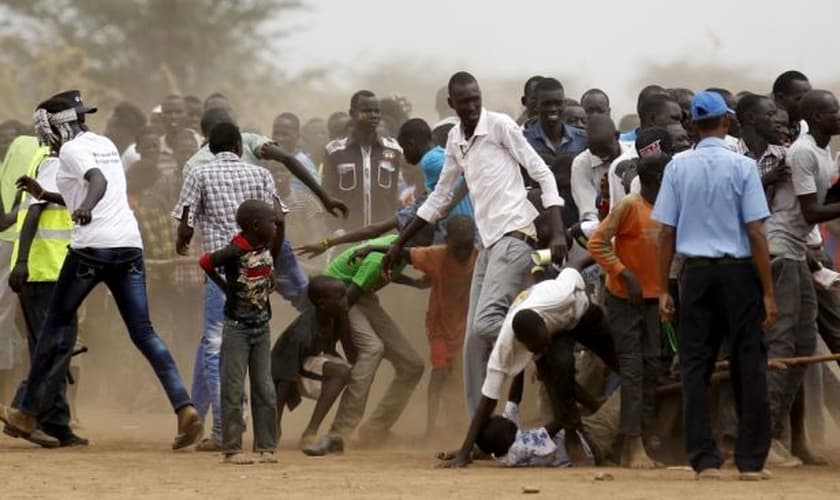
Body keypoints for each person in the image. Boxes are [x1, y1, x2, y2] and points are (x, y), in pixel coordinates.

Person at [0, 92, 202, 450]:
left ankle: (25, 411)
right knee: (144, 333)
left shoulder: (71, 151)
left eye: (43, 128)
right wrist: (45, 193)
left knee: (52, 328)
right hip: (128, 247)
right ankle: (185, 409)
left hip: (91, 249)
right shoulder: (104, 143)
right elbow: (89, 189)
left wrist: (86, 210)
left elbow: (97, 184)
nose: (42, 136)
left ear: (54, 125)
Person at [382, 72, 569, 417]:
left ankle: (545, 348)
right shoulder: (455, 139)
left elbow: (542, 173)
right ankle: (478, 430)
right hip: (489, 244)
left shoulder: (499, 127)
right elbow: (438, 199)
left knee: (486, 325)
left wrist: (557, 232)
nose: (471, 106)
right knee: (471, 344)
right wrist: (399, 243)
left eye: (475, 99)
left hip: (516, 236)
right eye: (464, 101)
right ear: (452, 104)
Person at [652, 90, 775, 481]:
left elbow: (666, 234)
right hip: (739, 274)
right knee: (748, 364)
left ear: (692, 126)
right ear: (725, 123)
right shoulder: (743, 167)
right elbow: (755, 232)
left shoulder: (676, 168)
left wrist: (663, 289)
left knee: (694, 367)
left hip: (697, 276)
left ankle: (704, 460)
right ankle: (751, 461)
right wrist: (768, 291)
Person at [436, 265, 619, 468]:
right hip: (591, 441)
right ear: (523, 343)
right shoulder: (505, 347)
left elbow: (514, 398)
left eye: (544, 342)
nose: (543, 348)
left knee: (609, 366)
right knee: (562, 373)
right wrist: (464, 452)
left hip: (583, 315)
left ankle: (593, 415)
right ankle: (588, 430)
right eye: (537, 347)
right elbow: (488, 400)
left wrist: (470, 451)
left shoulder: (559, 295)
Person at [173, 122, 282, 452]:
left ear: (209, 147)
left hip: (223, 266)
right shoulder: (260, 174)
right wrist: (271, 264)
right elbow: (278, 218)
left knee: (216, 346)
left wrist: (183, 242)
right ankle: (259, 439)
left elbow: (186, 221)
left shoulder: (200, 174)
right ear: (238, 146)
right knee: (251, 344)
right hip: (258, 269)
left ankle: (224, 431)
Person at [764, 90, 840, 465]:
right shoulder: (803, 152)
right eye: (833, 112)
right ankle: (766, 440)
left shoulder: (822, 152)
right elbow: (811, 212)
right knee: (782, 342)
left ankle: (785, 436)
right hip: (781, 249)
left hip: (798, 252)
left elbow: (829, 195)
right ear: (815, 117)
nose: (839, 116)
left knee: (804, 342)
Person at [588, 153, 668, 469]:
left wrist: (663, 293)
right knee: (633, 371)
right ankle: (631, 446)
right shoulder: (629, 206)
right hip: (624, 300)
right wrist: (624, 273)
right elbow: (598, 242)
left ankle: (637, 442)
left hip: (652, 301)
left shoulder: (666, 209)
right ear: (657, 179)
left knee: (652, 368)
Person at [320, 228, 428, 449]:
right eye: (419, 253)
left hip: (362, 294)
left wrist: (414, 283)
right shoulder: (376, 260)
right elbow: (345, 304)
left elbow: (389, 269)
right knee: (372, 348)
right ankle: (339, 432)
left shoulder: (395, 249)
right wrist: (344, 342)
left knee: (412, 365)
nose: (421, 258)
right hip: (339, 296)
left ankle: (375, 430)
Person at [370, 215, 477, 438]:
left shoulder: (481, 258)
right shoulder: (436, 256)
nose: (462, 253)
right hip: (439, 326)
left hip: (469, 327)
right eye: (458, 247)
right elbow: (402, 252)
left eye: (467, 247)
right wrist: (366, 250)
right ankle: (431, 426)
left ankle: (463, 422)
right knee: (439, 373)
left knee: (462, 375)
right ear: (446, 240)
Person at [199, 200, 280, 465]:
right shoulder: (235, 250)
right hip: (237, 328)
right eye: (271, 222)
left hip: (261, 326)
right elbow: (206, 261)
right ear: (256, 226)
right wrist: (226, 288)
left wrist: (271, 278)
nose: (275, 226)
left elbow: (267, 268)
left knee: (265, 388)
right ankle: (232, 449)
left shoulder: (264, 244)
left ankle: (266, 447)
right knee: (233, 388)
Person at [271, 275, 357, 456]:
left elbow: (351, 353)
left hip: (311, 363)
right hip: (286, 374)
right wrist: (274, 426)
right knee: (341, 372)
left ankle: (332, 430)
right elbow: (283, 380)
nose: (345, 299)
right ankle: (310, 432)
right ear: (322, 304)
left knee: (352, 371)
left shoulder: (338, 314)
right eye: (340, 297)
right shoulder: (301, 333)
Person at [322, 91, 410, 230]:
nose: (373, 115)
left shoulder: (394, 150)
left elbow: (394, 196)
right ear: (352, 113)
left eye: (376, 111)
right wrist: (335, 230)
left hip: (383, 236)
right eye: (367, 111)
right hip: (347, 235)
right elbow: (328, 194)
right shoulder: (335, 151)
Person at [474, 373, 595, 468]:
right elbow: (560, 421)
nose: (507, 420)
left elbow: (514, 398)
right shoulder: (522, 447)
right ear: (506, 438)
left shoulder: (502, 447)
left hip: (569, 434)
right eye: (505, 422)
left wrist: (520, 367)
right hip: (588, 443)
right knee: (611, 410)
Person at [523, 78, 588, 226]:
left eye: (557, 103)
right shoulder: (523, 142)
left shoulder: (583, 139)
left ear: (564, 104)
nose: (553, 109)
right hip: (539, 227)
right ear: (537, 105)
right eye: (547, 104)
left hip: (576, 223)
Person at [398, 118, 474, 229]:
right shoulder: (440, 153)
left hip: (461, 229)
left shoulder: (430, 160)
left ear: (412, 144)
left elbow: (469, 172)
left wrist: (449, 207)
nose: (404, 155)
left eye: (404, 149)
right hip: (465, 225)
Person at [571, 115, 632, 222]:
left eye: (605, 149)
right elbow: (589, 211)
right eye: (594, 149)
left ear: (617, 136)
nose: (600, 154)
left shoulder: (633, 155)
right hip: (600, 223)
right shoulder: (581, 163)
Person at [772, 71, 812, 140]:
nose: (806, 104)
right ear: (780, 98)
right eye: (800, 99)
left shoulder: (804, 127)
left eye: (808, 99)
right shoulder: (765, 131)